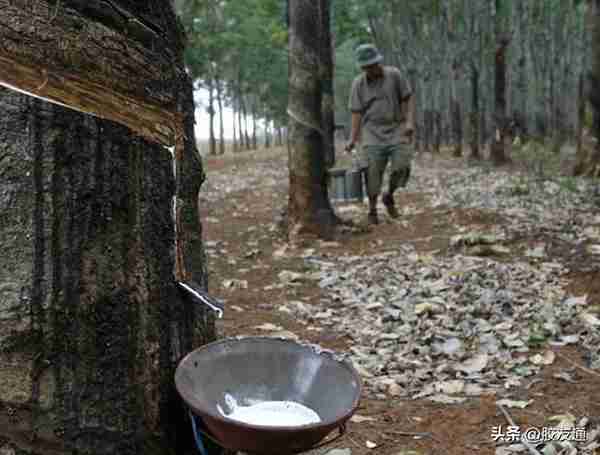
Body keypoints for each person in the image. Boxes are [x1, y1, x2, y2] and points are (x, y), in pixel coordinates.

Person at [345, 43, 415, 225]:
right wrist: (353, 138)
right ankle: (372, 210)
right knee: (372, 172)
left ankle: (389, 194)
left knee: (402, 166)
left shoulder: (394, 75)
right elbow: (356, 112)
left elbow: (406, 98)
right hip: (372, 132)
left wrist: (409, 122)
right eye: (366, 67)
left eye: (373, 65)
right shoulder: (358, 84)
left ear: (379, 62)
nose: (371, 69)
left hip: (396, 127)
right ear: (362, 67)